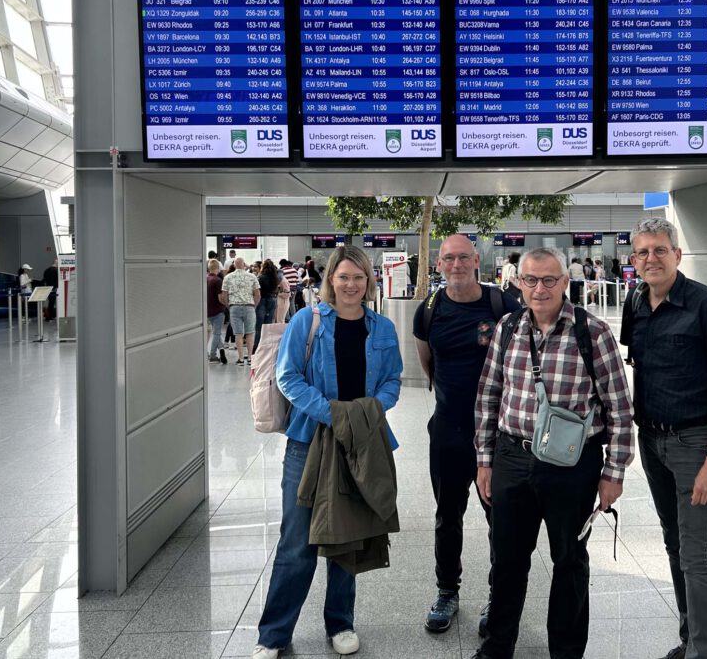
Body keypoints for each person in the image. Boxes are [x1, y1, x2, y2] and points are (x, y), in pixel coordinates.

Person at [472, 247, 634, 659]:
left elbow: (619, 406)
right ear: (517, 282)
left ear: (565, 282)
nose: (539, 288)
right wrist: (485, 460)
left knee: (569, 561)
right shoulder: (507, 328)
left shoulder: (592, 332)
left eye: (549, 280)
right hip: (513, 457)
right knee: (507, 559)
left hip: (572, 465)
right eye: (530, 280)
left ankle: (565, 651)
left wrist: (613, 473)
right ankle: (497, 646)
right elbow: (489, 397)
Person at [251, 245, 403, 659]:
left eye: (359, 277)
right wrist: (334, 414)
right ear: (330, 281)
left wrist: (364, 413)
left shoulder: (382, 329)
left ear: (369, 282)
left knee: (346, 536)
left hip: (361, 443)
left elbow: (392, 381)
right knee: (296, 543)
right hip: (309, 443)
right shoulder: (308, 320)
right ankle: (274, 634)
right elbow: (288, 378)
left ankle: (340, 623)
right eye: (343, 277)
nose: (351, 285)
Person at [619, 217, 707, 659]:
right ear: (633, 260)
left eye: (659, 250)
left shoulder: (706, 305)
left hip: (695, 445)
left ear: (677, 254)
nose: (651, 258)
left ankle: (703, 652)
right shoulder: (635, 303)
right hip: (652, 442)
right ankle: (689, 637)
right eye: (642, 252)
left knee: (695, 552)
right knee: (674, 544)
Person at [413, 235, 522, 636]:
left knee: (501, 518)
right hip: (448, 430)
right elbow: (429, 364)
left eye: (463, 257)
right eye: (448, 258)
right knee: (447, 516)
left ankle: (499, 596)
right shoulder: (428, 311)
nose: (456, 264)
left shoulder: (503, 305)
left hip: (499, 434)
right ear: (438, 265)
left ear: (477, 260)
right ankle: (447, 591)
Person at [221, 257, 260, 367]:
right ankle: (251, 358)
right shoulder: (252, 277)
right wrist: (254, 306)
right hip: (249, 307)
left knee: (238, 333)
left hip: (234, 307)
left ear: (234, 265)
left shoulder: (228, 277)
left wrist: (229, 307)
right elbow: (257, 294)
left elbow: (224, 296)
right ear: (244, 264)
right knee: (250, 332)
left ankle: (241, 358)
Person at [254, 260, 281, 353]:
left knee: (259, 325)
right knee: (268, 325)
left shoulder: (260, 277)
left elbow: (257, 290)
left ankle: (257, 346)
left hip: (262, 300)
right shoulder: (276, 277)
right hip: (273, 299)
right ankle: (267, 346)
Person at [206, 259, 227, 364]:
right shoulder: (218, 281)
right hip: (217, 311)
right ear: (217, 268)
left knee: (211, 333)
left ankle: (221, 349)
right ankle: (213, 356)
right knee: (217, 333)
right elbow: (220, 298)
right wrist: (226, 305)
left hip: (206, 311)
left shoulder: (205, 279)